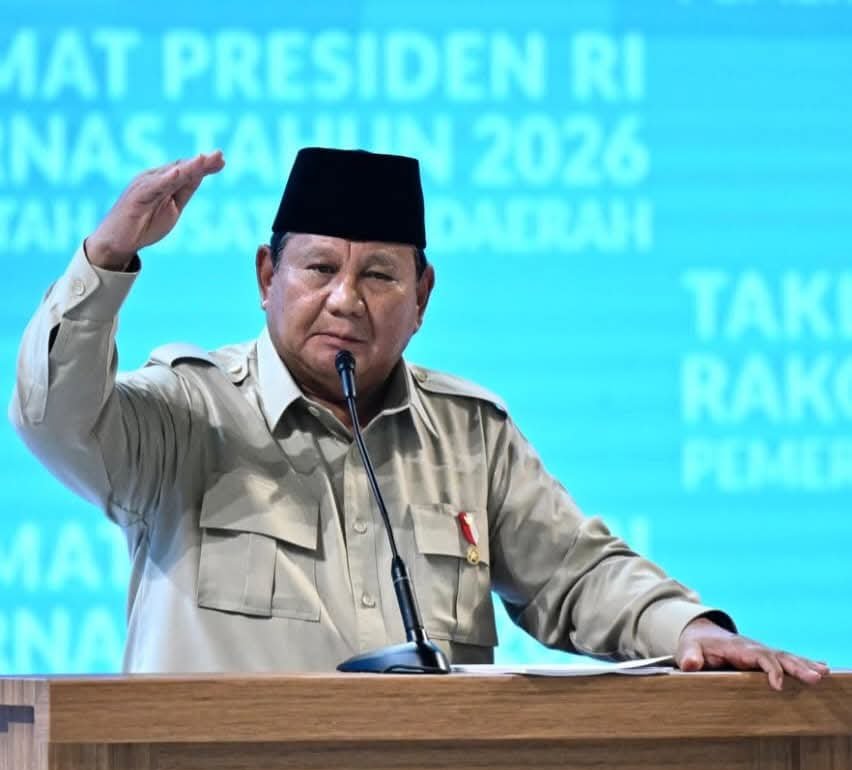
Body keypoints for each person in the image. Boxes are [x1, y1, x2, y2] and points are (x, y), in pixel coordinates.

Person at [10, 147, 828, 688]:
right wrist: (107, 258)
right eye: (319, 268)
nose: (345, 299)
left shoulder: (469, 434)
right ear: (266, 277)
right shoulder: (190, 412)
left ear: (423, 296)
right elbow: (55, 418)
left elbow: (576, 575)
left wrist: (687, 628)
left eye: (378, 275)